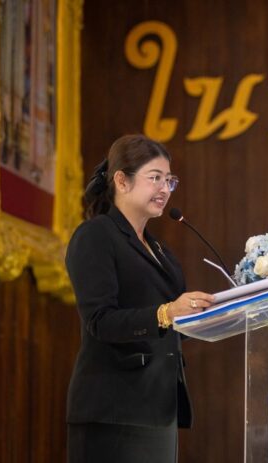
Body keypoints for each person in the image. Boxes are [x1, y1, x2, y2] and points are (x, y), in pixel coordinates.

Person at [65, 134, 214, 463]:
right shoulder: (95, 235)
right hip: (114, 409)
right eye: (155, 178)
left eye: (169, 180)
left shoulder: (159, 249)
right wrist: (166, 313)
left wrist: (213, 314)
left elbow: (174, 320)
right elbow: (100, 321)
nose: (165, 189)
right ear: (122, 181)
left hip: (159, 405)